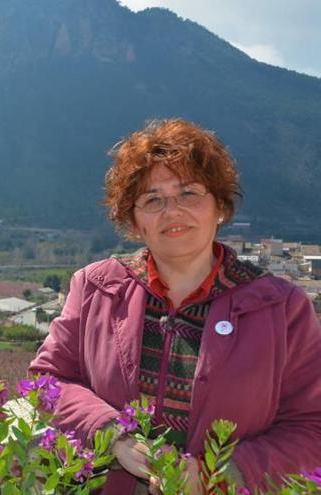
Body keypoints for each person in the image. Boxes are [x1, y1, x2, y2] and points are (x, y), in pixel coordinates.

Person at [28, 119, 321, 494]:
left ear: (219, 207)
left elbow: (311, 427)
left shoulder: (280, 307)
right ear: (134, 222)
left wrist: (216, 475)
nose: (172, 210)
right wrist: (111, 435)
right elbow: (48, 380)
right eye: (153, 200)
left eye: (189, 194)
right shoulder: (95, 287)